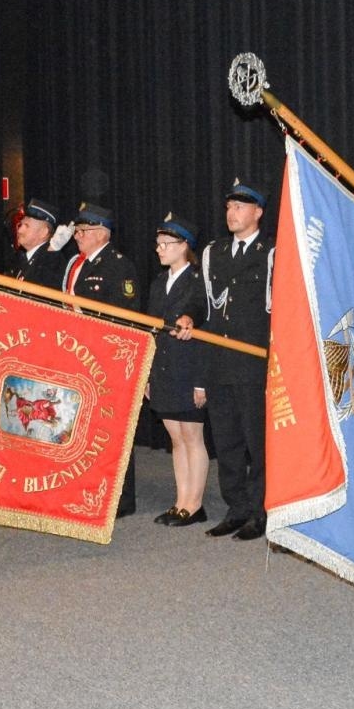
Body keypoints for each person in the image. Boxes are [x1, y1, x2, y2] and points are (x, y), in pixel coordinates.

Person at [189, 178, 273, 542]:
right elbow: (205, 304)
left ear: (258, 213)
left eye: (239, 207)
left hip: (253, 364)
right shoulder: (213, 252)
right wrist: (190, 316)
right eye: (228, 207)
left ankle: (260, 511)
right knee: (226, 442)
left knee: (257, 443)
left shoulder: (272, 252)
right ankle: (236, 507)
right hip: (219, 362)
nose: (231, 213)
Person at [62, 201, 141, 518]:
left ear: (101, 233)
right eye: (77, 230)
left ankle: (121, 497)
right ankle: (91, 487)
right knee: (86, 428)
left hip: (106, 360)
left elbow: (126, 319)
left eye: (83, 231)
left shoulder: (118, 266)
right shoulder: (78, 265)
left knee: (113, 430)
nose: (77, 236)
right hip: (79, 358)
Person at [145, 213, 209, 528]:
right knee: (176, 437)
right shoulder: (159, 282)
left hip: (189, 368)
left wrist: (201, 383)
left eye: (166, 244)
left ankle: (195, 504)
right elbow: (151, 331)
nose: (159, 249)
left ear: (184, 246)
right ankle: (181, 500)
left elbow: (201, 322)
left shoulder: (199, 280)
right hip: (164, 368)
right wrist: (148, 374)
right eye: (158, 244)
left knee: (192, 436)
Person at [6, 198, 68, 290]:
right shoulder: (22, 259)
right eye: (20, 225)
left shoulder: (52, 260)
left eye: (27, 226)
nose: (19, 230)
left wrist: (52, 251)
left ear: (43, 232)